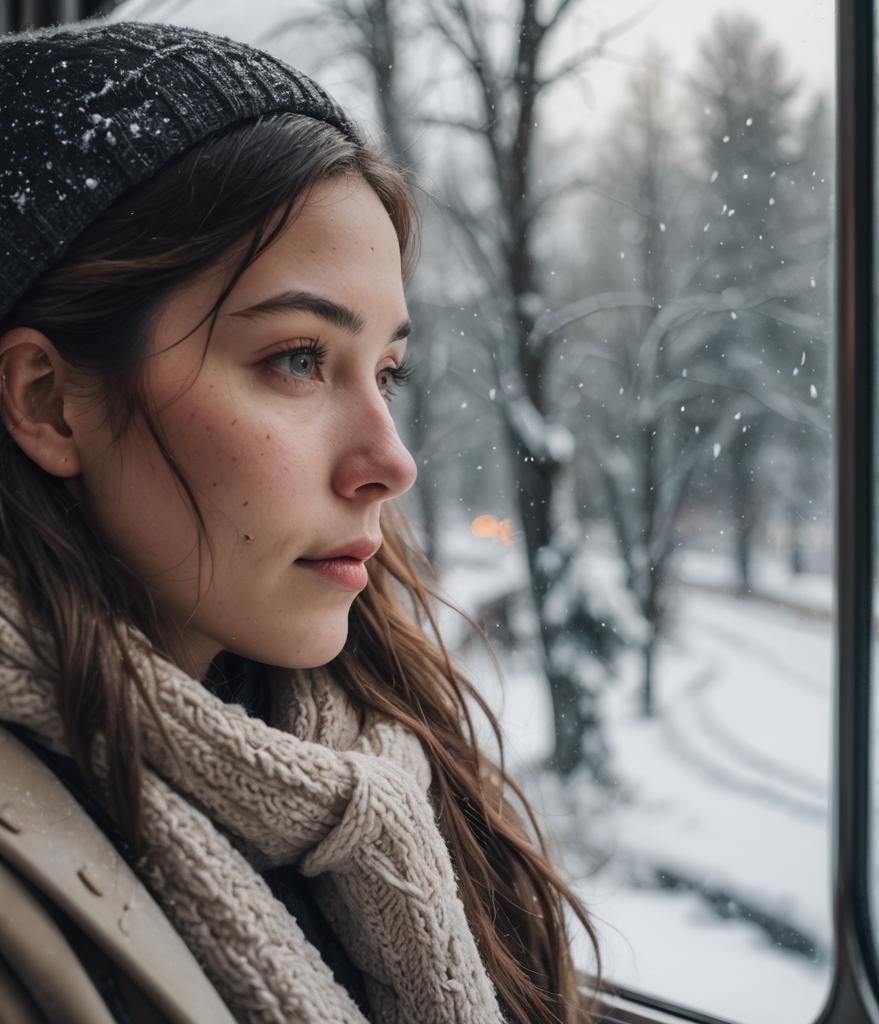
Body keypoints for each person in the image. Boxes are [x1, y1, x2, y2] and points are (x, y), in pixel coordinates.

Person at [0, 19, 599, 1024]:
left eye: (386, 372)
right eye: (297, 360)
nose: (391, 461)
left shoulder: (379, 764)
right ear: (51, 400)